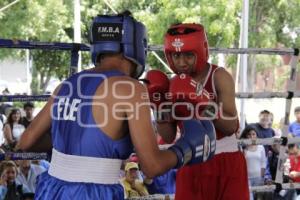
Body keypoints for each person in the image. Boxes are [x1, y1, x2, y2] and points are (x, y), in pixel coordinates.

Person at [16, 12, 216, 200]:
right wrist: (185, 149)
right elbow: (152, 167)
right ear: (136, 45)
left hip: (51, 188)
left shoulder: (66, 84)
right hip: (94, 192)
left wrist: (73, 143)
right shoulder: (130, 88)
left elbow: (24, 144)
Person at [149, 23, 249, 199]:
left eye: (188, 55)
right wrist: (158, 107)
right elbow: (169, 136)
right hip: (190, 160)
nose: (181, 62)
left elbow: (231, 126)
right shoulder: (171, 85)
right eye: (176, 56)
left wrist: (203, 102)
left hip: (226, 160)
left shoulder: (219, 76)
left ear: (201, 52)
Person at [240, 127, 267, 200]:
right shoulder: (242, 148)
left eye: (253, 134)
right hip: (247, 178)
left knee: (258, 198)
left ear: (256, 135)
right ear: (246, 136)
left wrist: (261, 178)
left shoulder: (261, 147)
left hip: (258, 178)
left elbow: (263, 163)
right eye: (249, 134)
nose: (251, 136)